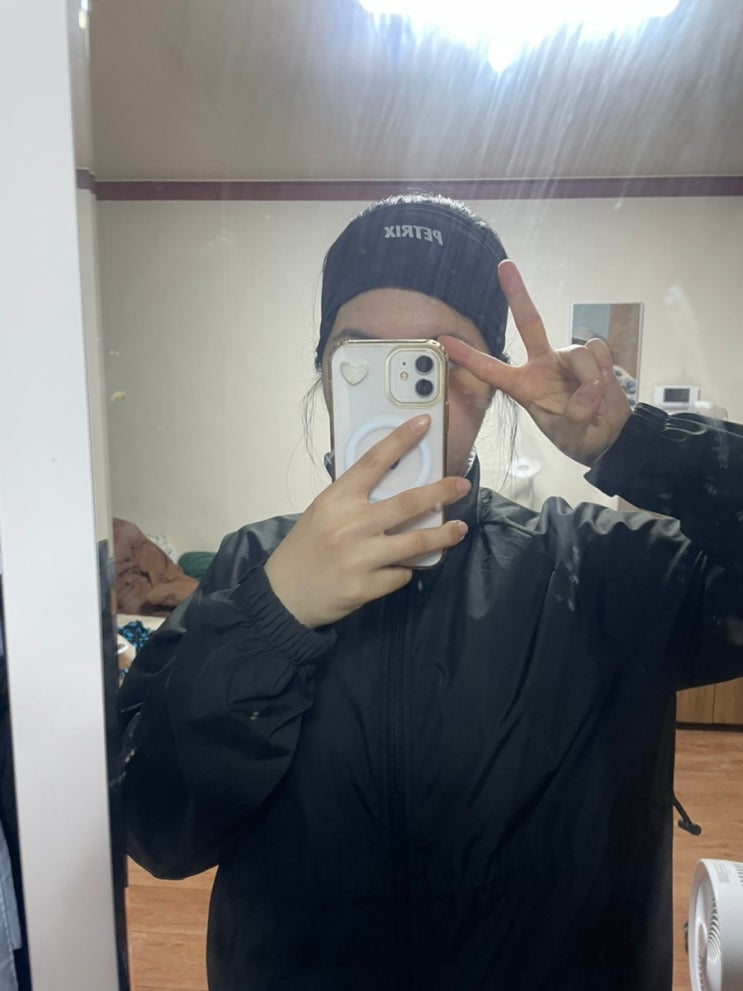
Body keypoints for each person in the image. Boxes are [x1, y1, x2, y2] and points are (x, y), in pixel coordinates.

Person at [119, 195, 743, 990]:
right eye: (360, 356)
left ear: (494, 384)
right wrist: (273, 619)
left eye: (441, 360)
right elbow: (157, 830)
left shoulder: (596, 570)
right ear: (323, 376)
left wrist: (639, 444)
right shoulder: (249, 569)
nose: (401, 400)